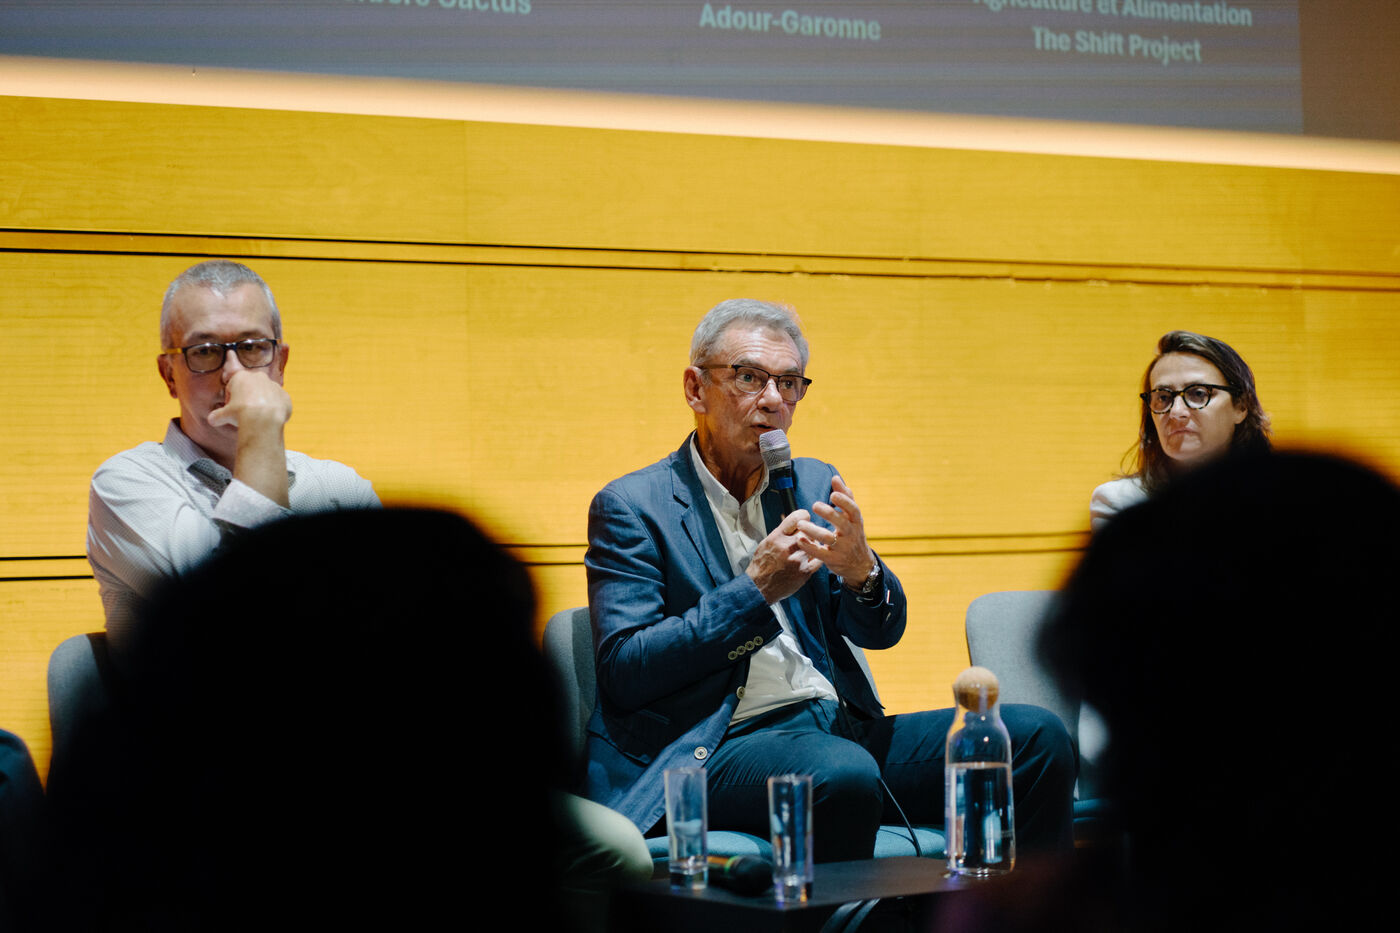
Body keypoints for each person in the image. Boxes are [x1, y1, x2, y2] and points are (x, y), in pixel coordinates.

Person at [583, 298, 1075, 862]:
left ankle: (1018, 905)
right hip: (714, 746)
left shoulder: (811, 483)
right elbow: (625, 669)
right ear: (696, 389)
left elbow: (881, 631)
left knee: (1033, 739)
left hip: (838, 728)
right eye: (749, 377)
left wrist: (862, 572)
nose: (774, 400)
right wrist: (754, 591)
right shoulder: (633, 505)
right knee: (840, 772)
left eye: (790, 383)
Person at [85, 260, 380, 661]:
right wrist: (261, 428)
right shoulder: (125, 483)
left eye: (253, 347)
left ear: (280, 364)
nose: (233, 373)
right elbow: (238, 618)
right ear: (168, 374)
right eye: (205, 352)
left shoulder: (338, 488)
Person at [1091, 330, 1270, 530]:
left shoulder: (1286, 496)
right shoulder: (1120, 502)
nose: (1176, 412)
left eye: (1198, 394)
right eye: (1163, 398)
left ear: (1241, 406)